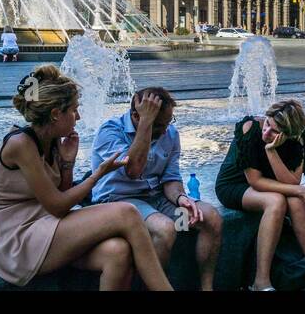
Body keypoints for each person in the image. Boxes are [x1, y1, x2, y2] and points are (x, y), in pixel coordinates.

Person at [0, 65, 172, 291]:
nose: (79, 116)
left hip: (45, 228)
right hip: (15, 241)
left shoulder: (51, 140)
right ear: (55, 114)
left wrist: (67, 163)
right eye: (74, 110)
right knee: (127, 212)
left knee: (117, 251)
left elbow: (61, 194)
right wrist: (98, 174)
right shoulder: (20, 144)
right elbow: (58, 207)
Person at [91, 87, 223, 290]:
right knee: (165, 229)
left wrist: (181, 199)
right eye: (159, 124)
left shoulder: (169, 133)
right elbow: (133, 170)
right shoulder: (109, 131)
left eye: (169, 122)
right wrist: (145, 125)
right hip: (119, 203)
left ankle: (206, 287)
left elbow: (170, 178)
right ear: (137, 115)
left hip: (157, 200)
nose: (165, 130)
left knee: (210, 218)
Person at [213, 99, 305, 291]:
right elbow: (255, 181)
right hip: (235, 185)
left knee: (296, 202)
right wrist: (303, 191)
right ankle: (261, 281)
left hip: (272, 184)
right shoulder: (250, 128)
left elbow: (292, 182)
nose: (266, 133)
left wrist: (271, 150)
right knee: (276, 201)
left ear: (290, 134)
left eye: (275, 131)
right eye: (268, 124)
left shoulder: (300, 139)